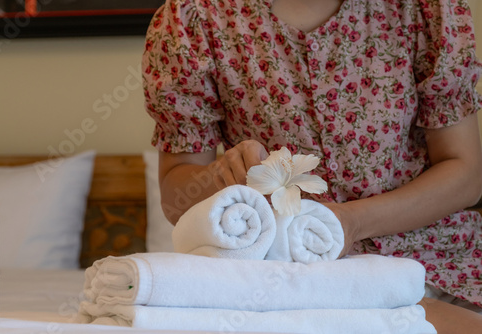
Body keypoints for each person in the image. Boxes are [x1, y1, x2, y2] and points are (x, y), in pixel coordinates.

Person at [142, 0, 482, 332]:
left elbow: (465, 173)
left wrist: (352, 221)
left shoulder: (424, 9)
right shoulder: (194, 19)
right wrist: (218, 177)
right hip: (283, 281)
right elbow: (176, 199)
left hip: (433, 264)